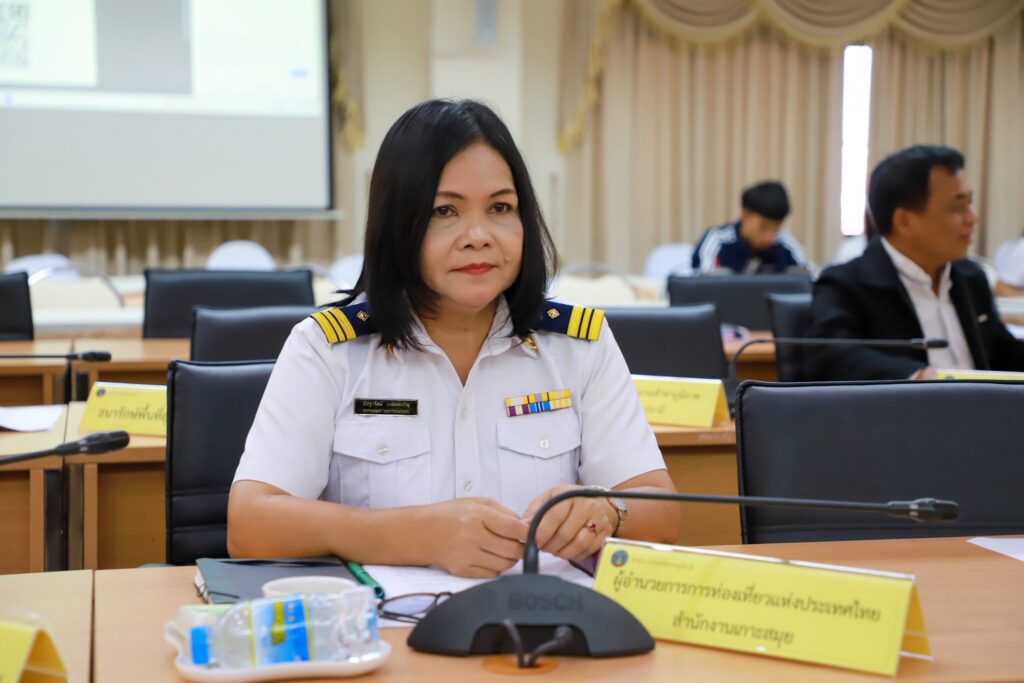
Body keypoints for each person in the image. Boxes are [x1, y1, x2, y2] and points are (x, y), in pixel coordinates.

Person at [227, 100, 679, 578]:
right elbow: (251, 524)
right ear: (397, 223)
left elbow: (663, 510)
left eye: (500, 208)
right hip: (387, 620)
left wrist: (608, 510)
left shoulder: (579, 345)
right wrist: (419, 535)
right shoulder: (327, 349)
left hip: (542, 615)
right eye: (445, 211)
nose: (478, 236)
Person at [804, 144, 1024, 381]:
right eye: (957, 206)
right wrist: (917, 377)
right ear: (904, 221)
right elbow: (832, 356)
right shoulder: (845, 283)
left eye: (969, 203)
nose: (972, 218)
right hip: (905, 404)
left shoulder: (971, 277)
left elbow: (1002, 352)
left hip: (985, 403)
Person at [691, 181, 807, 274]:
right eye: (764, 227)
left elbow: (808, 281)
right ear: (745, 215)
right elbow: (702, 286)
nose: (770, 237)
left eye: (776, 229)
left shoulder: (786, 244)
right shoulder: (717, 241)